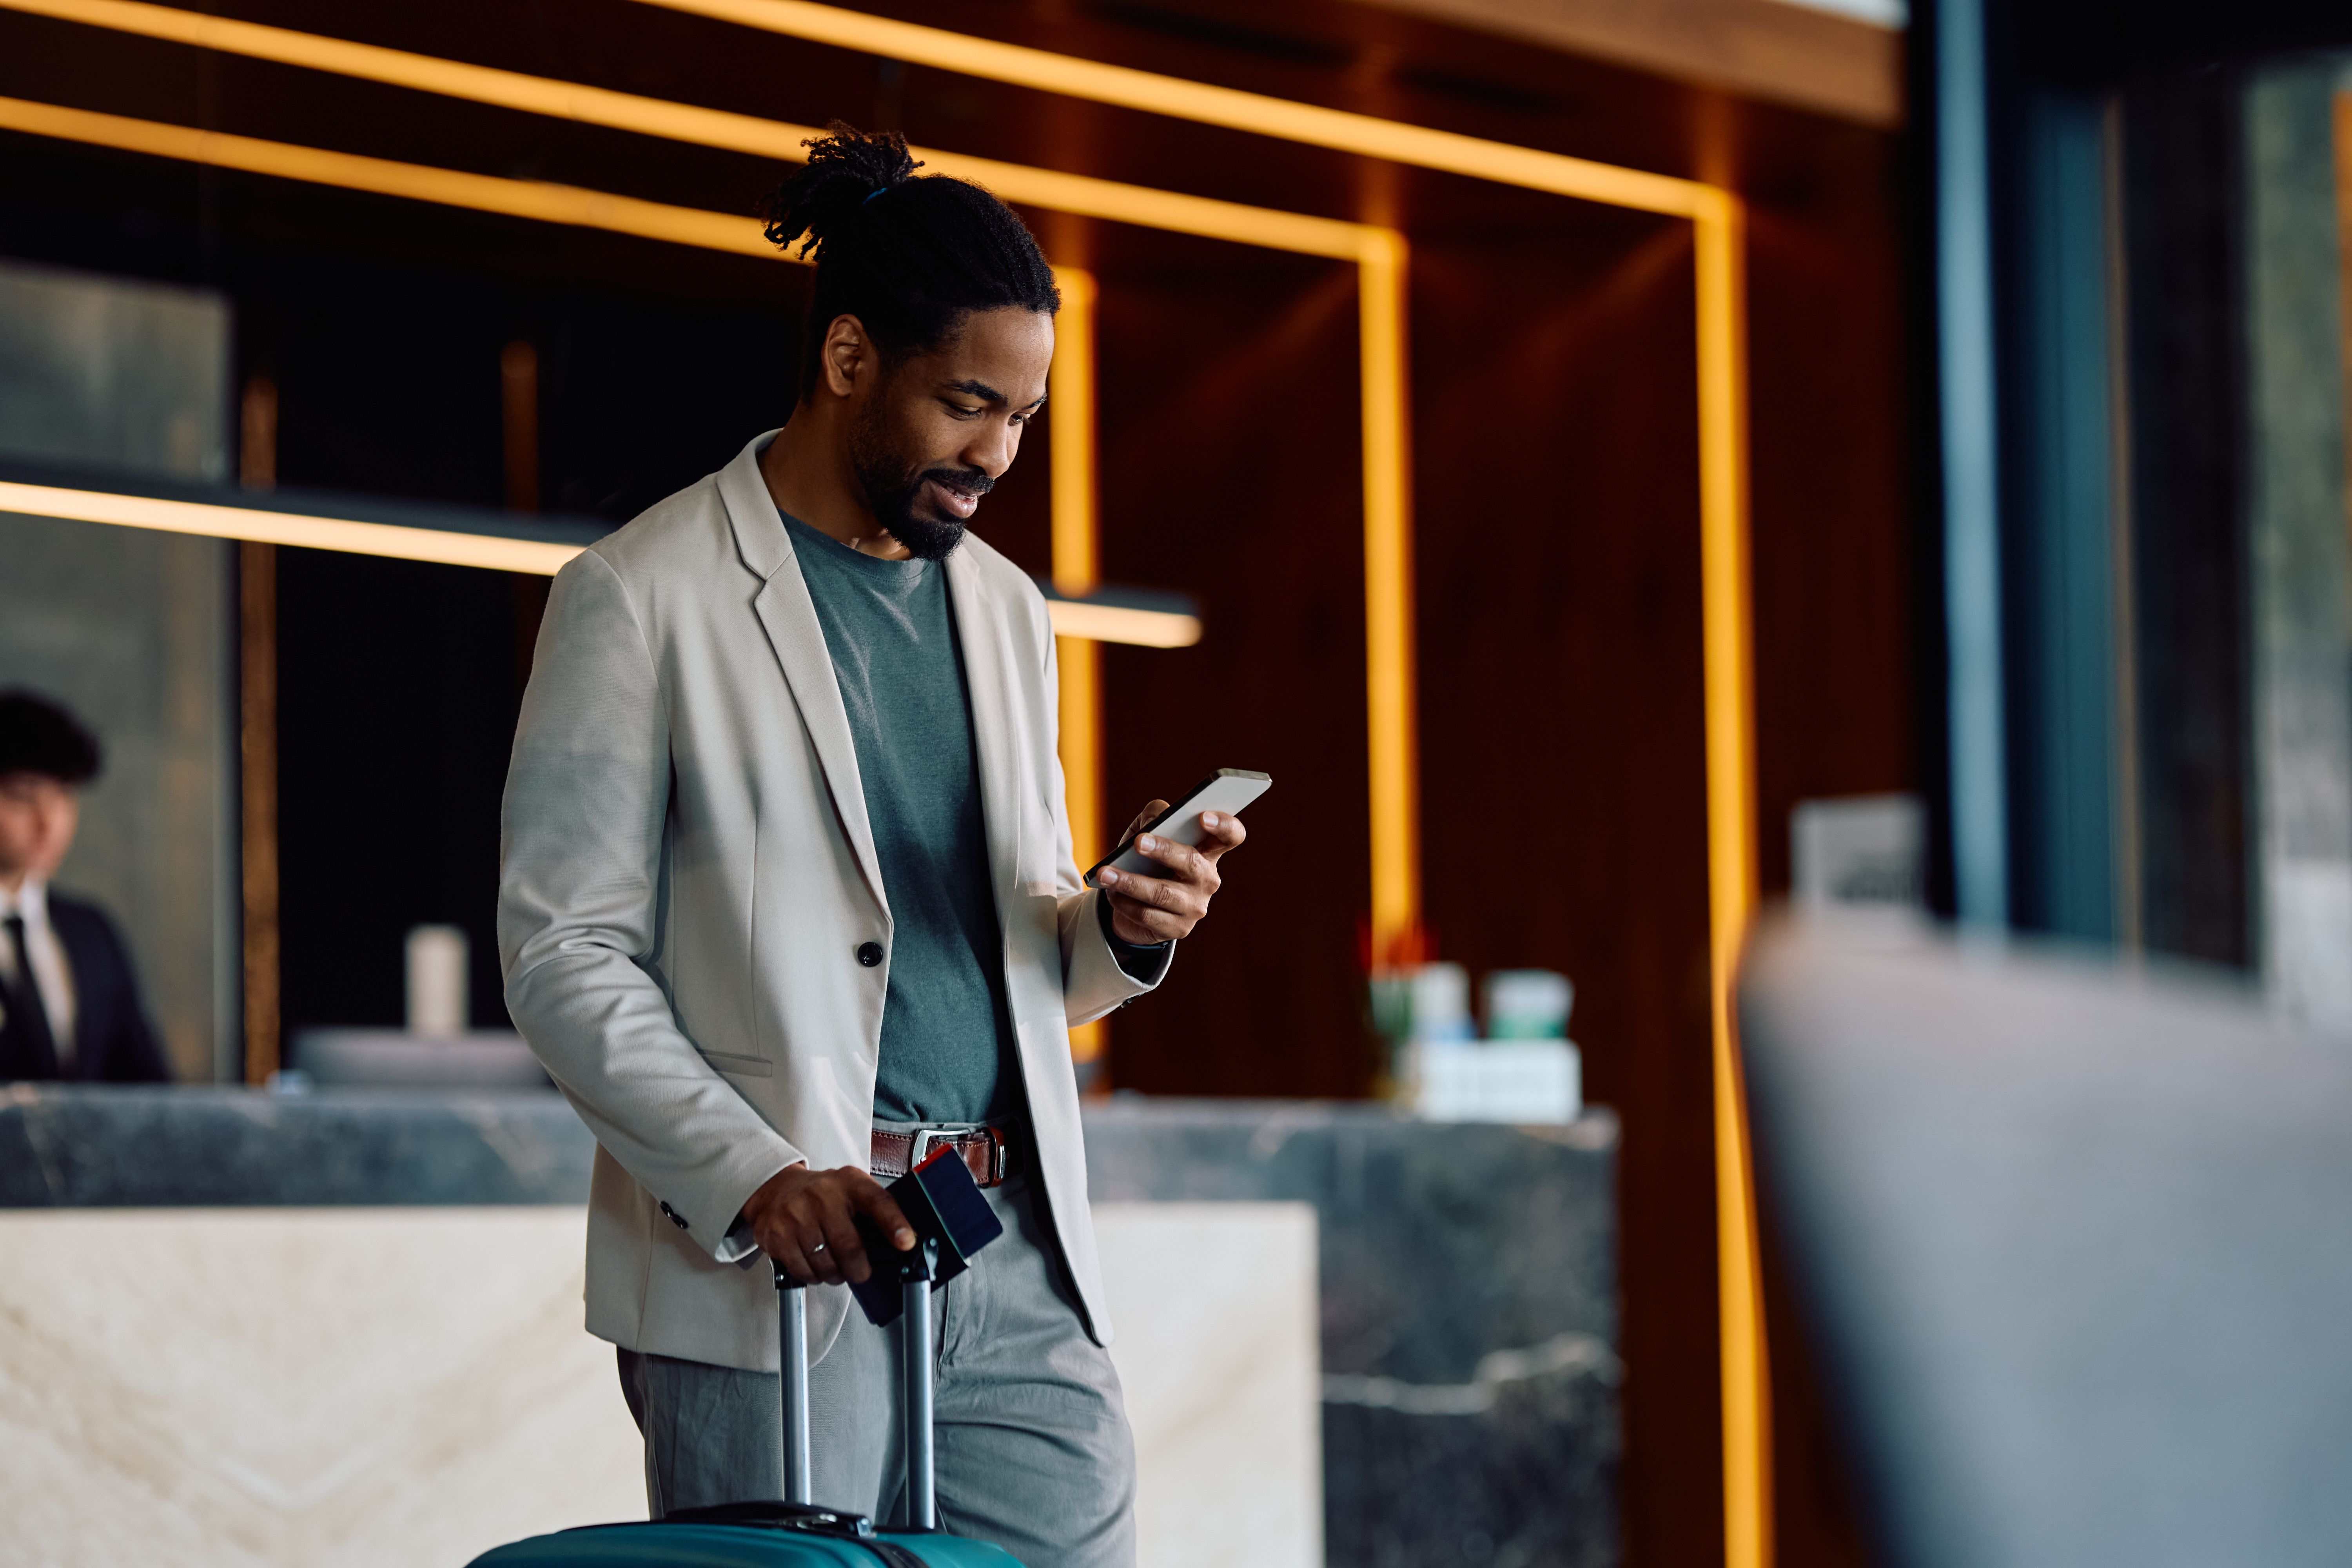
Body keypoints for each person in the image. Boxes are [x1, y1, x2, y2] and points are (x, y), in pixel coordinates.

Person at [498, 125, 1245, 1568]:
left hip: (1006, 1243)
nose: (998, 454)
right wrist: (756, 1176)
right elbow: (563, 955)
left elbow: (1019, 947)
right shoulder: (639, 594)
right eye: (968, 403)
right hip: (780, 1262)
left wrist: (1124, 925)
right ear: (849, 359)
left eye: (1024, 417)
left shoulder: (1007, 612)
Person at [0, 689, 172, 1083]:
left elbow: (148, 1086)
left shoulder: (91, 933)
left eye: (63, 797)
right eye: (22, 797)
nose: (49, 823)